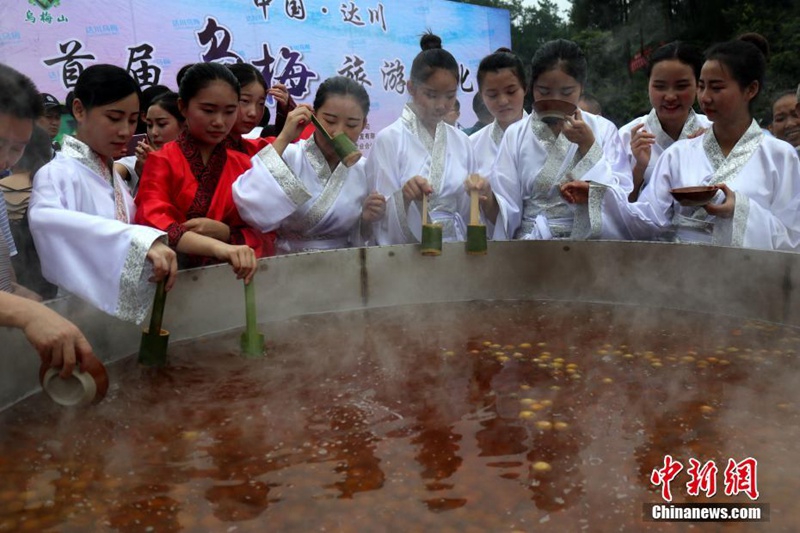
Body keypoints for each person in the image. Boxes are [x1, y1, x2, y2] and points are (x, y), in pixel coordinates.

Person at [562, 34, 800, 251]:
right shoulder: (677, 153)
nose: (705, 97)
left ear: (750, 90)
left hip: (747, 276)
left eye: (716, 88)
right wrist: (599, 197)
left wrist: (740, 209)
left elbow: (793, 239)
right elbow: (646, 220)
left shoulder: (780, 156)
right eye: (702, 86)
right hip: (680, 273)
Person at [28, 64, 177, 324]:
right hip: (80, 315)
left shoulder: (112, 174)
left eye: (132, 120)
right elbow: (45, 219)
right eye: (114, 118)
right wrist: (138, 240)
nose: (125, 131)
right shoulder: (56, 173)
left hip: (116, 314)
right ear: (79, 110)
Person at [484, 39, 632, 241]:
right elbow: (506, 203)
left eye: (566, 92)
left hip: (587, 245)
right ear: (531, 87)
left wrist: (588, 146)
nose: (555, 99)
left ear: (581, 88)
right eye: (544, 91)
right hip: (531, 246)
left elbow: (620, 197)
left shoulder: (603, 129)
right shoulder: (515, 134)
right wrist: (486, 196)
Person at [135, 62, 268, 279]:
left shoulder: (245, 165)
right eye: (208, 110)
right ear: (182, 107)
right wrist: (218, 247)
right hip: (172, 280)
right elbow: (152, 221)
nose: (219, 122)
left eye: (229, 111)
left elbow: (266, 233)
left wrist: (227, 234)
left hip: (231, 278)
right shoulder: (161, 161)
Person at [233, 76, 382, 252]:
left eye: (351, 124)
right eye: (330, 121)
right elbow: (250, 207)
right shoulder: (288, 156)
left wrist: (366, 220)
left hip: (343, 262)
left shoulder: (364, 169)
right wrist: (284, 137)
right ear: (314, 116)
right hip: (289, 259)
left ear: (363, 124)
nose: (339, 131)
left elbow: (364, 236)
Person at [366, 33, 476, 244]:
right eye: (432, 95)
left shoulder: (462, 141)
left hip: (456, 249)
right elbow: (378, 216)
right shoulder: (389, 139)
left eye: (450, 96)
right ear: (411, 88)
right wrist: (404, 198)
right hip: (409, 252)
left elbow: (469, 210)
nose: (442, 105)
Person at [619, 42, 711, 201]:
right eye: (660, 86)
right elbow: (615, 207)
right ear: (648, 85)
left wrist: (713, 153)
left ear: (698, 86)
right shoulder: (626, 137)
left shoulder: (714, 132)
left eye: (681, 86)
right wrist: (640, 167)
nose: (670, 96)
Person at [1, 125, 58, 298]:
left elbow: (7, 258)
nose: (4, 161)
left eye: (16, 149)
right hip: (45, 285)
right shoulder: (53, 190)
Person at [469, 47, 527, 179]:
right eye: (492, 95)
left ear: (525, 88)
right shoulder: (471, 146)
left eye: (511, 91)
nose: (503, 101)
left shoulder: (547, 138)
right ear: (482, 96)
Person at [114, 91, 185, 195]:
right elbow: (111, 173)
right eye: (149, 125)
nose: (153, 132)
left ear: (184, 125)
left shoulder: (199, 165)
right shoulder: (139, 161)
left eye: (161, 124)